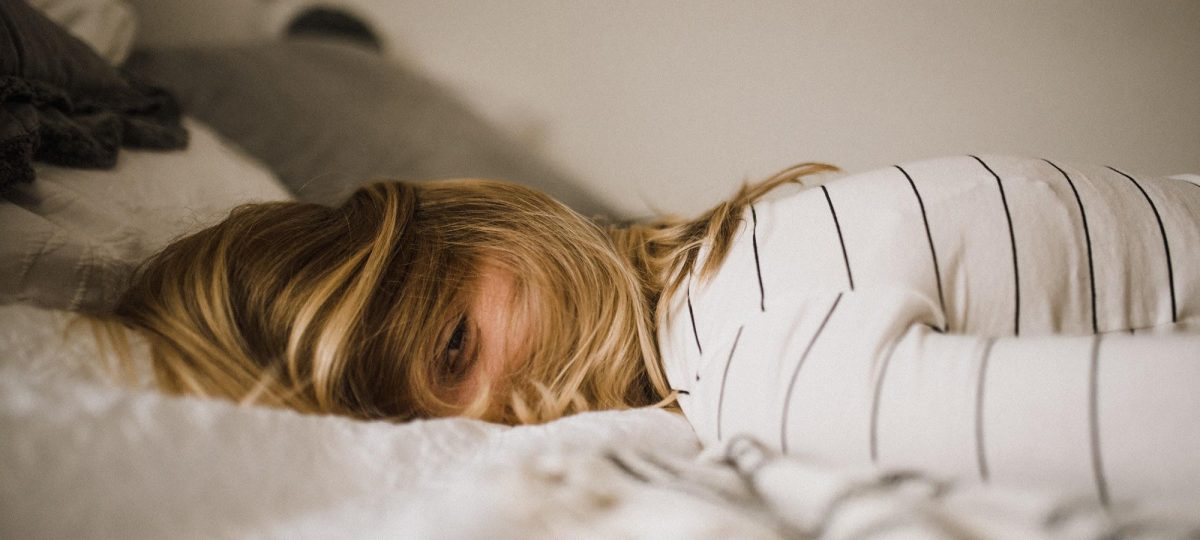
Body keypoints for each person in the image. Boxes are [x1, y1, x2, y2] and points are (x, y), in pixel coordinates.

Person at [103, 156, 1199, 499]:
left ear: (491, 221)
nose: (492, 421)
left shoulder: (761, 362)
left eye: (453, 350)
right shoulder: (740, 251)